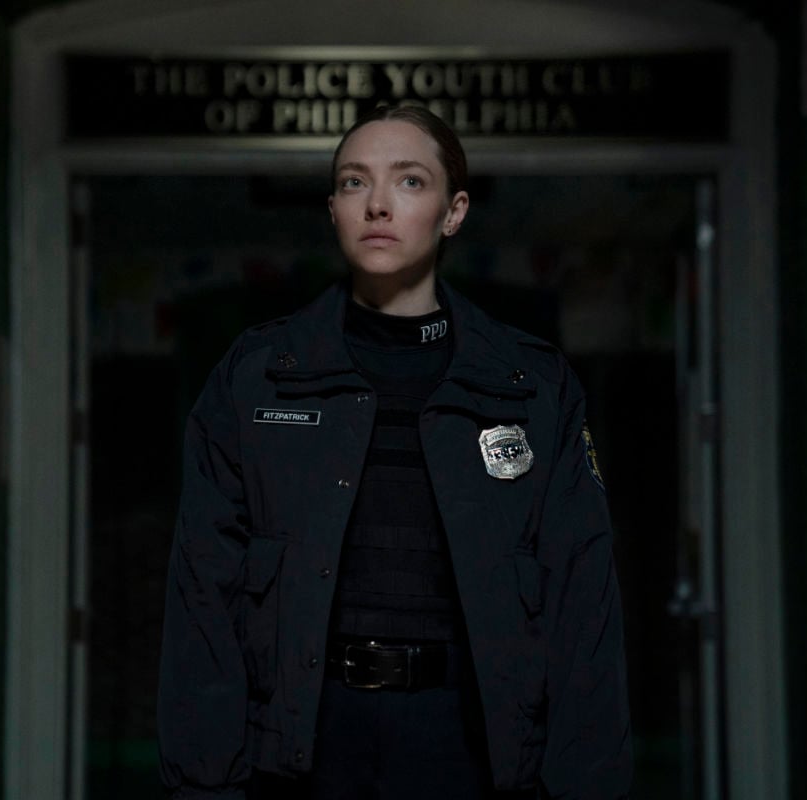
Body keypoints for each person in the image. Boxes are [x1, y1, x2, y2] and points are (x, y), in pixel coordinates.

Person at [158, 104, 632, 799]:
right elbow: (203, 595)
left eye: (409, 181)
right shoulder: (257, 376)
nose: (377, 204)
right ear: (333, 209)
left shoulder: (531, 385)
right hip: (301, 751)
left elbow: (583, 601)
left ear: (453, 212)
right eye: (354, 182)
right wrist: (204, 789)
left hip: (472, 750)